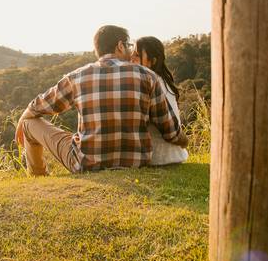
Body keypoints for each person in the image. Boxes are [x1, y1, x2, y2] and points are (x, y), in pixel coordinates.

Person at [15, 25, 188, 175]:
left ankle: (38, 178)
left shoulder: (76, 77)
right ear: (120, 46)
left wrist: (21, 123)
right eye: (128, 46)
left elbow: (38, 106)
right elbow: (171, 132)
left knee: (29, 124)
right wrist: (185, 142)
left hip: (86, 164)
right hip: (136, 164)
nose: (130, 52)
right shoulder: (148, 76)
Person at [131, 36, 188, 165]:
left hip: (157, 157)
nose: (131, 58)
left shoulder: (150, 82)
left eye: (137, 55)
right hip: (174, 154)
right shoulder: (163, 81)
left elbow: (169, 131)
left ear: (152, 61)